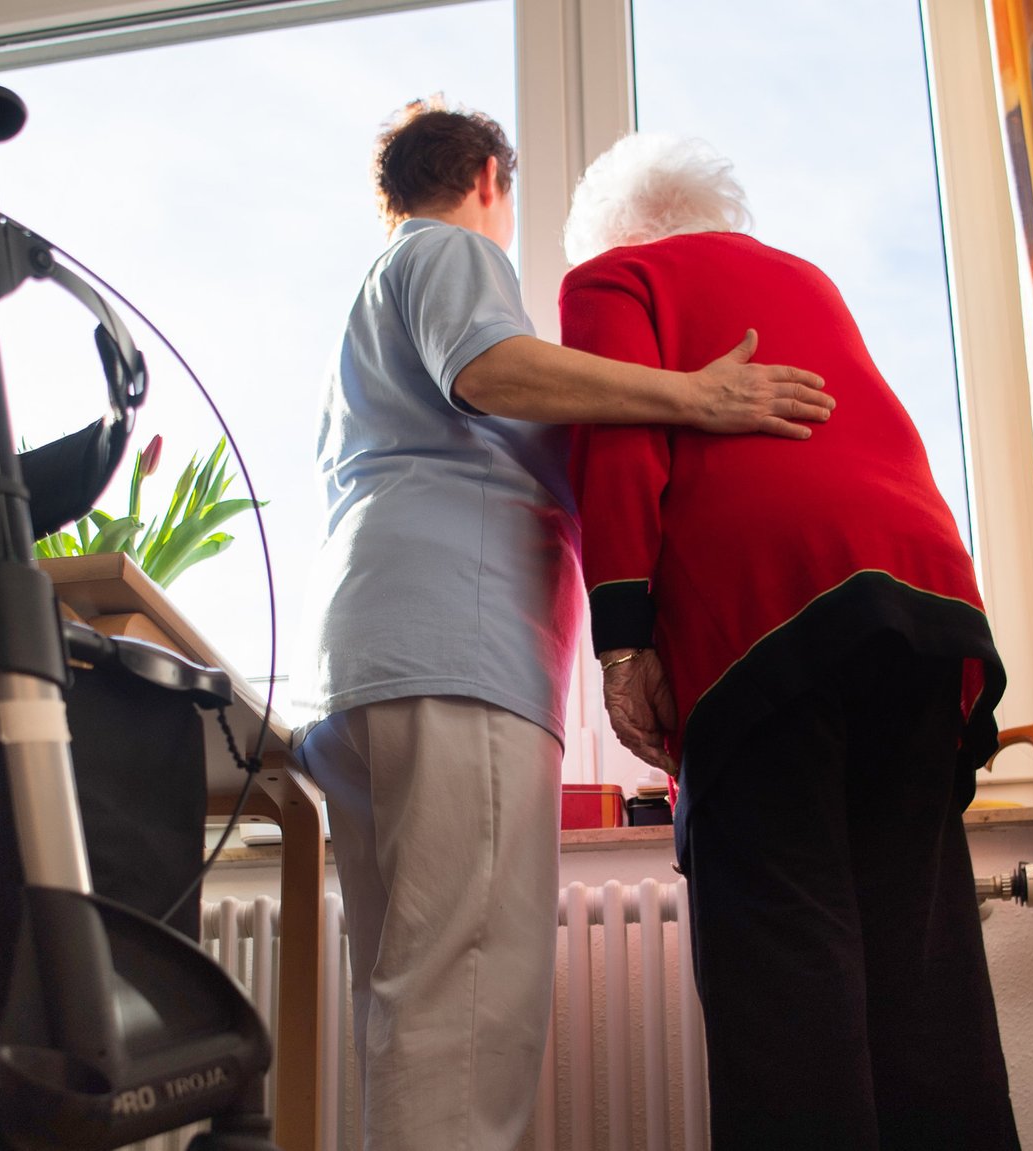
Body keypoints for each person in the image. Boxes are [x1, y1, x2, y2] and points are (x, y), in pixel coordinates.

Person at [296, 102, 833, 1151]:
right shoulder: (450, 251)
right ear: (491, 178)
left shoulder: (368, 314)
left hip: (365, 663)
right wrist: (692, 394)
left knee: (408, 1004)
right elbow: (489, 369)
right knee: (465, 1009)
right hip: (452, 656)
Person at [559, 132, 1017, 1149]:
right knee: (920, 966)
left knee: (784, 969)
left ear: (607, 233)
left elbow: (618, 444)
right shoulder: (802, 279)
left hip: (765, 622)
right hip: (923, 609)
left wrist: (624, 639)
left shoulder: (611, 278)